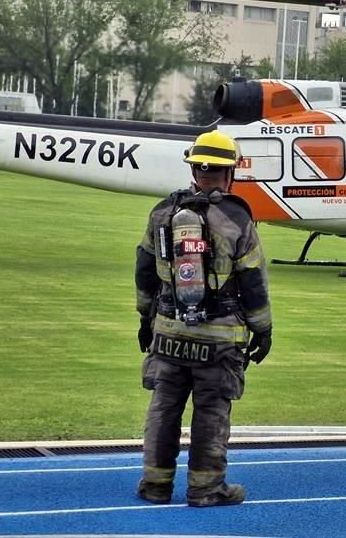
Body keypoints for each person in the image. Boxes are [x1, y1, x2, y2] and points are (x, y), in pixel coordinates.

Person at [135, 130, 272, 508]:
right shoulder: (236, 219)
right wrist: (263, 330)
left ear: (195, 168)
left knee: (163, 409)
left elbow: (145, 269)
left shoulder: (163, 212)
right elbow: (253, 281)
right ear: (230, 174)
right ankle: (206, 489)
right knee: (211, 412)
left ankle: (155, 486)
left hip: (167, 332)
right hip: (219, 338)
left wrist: (146, 318)